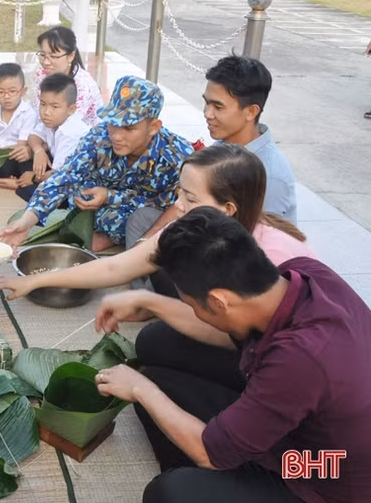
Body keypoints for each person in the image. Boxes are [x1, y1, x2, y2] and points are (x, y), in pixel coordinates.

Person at [94, 207, 371, 503]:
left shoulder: (300, 360)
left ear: (218, 300)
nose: (194, 311)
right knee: (159, 382)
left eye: (193, 304)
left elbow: (207, 454)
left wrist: (138, 388)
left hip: (323, 474)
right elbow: (229, 330)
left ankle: (216, 481)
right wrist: (151, 302)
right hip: (300, 431)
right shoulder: (303, 272)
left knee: (170, 492)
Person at [0, 143, 315, 387]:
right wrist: (35, 281)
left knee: (156, 356)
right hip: (224, 320)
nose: (177, 205)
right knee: (154, 336)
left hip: (269, 356)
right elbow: (114, 268)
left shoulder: (272, 259)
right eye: (180, 193)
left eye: (189, 198)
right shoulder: (195, 228)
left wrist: (152, 303)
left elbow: (244, 335)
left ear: (227, 208)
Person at [0, 75, 193, 252]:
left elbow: (170, 206)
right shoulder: (99, 137)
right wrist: (27, 221)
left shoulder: (176, 156)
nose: (116, 135)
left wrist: (110, 196)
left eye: (128, 128)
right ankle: (98, 230)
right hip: (95, 202)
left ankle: (107, 236)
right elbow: (65, 178)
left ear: (153, 127)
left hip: (140, 212)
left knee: (143, 221)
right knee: (79, 197)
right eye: (112, 123)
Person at [204, 55, 297, 224]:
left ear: (251, 112)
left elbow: (264, 243)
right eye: (207, 103)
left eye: (218, 107)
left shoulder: (269, 175)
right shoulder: (223, 144)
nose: (207, 114)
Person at [17, 73, 91, 201]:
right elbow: (34, 136)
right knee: (19, 161)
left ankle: (19, 183)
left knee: (27, 192)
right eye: (43, 104)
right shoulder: (53, 120)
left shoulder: (70, 132)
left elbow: (57, 176)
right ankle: (22, 180)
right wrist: (39, 151)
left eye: (54, 106)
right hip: (60, 169)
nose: (46, 112)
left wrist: (33, 177)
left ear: (71, 109)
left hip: (76, 183)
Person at [34, 26, 103, 126]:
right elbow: (37, 111)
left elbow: (68, 127)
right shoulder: (43, 72)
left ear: (71, 56)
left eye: (53, 56)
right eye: (43, 55)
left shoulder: (82, 86)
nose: (45, 62)